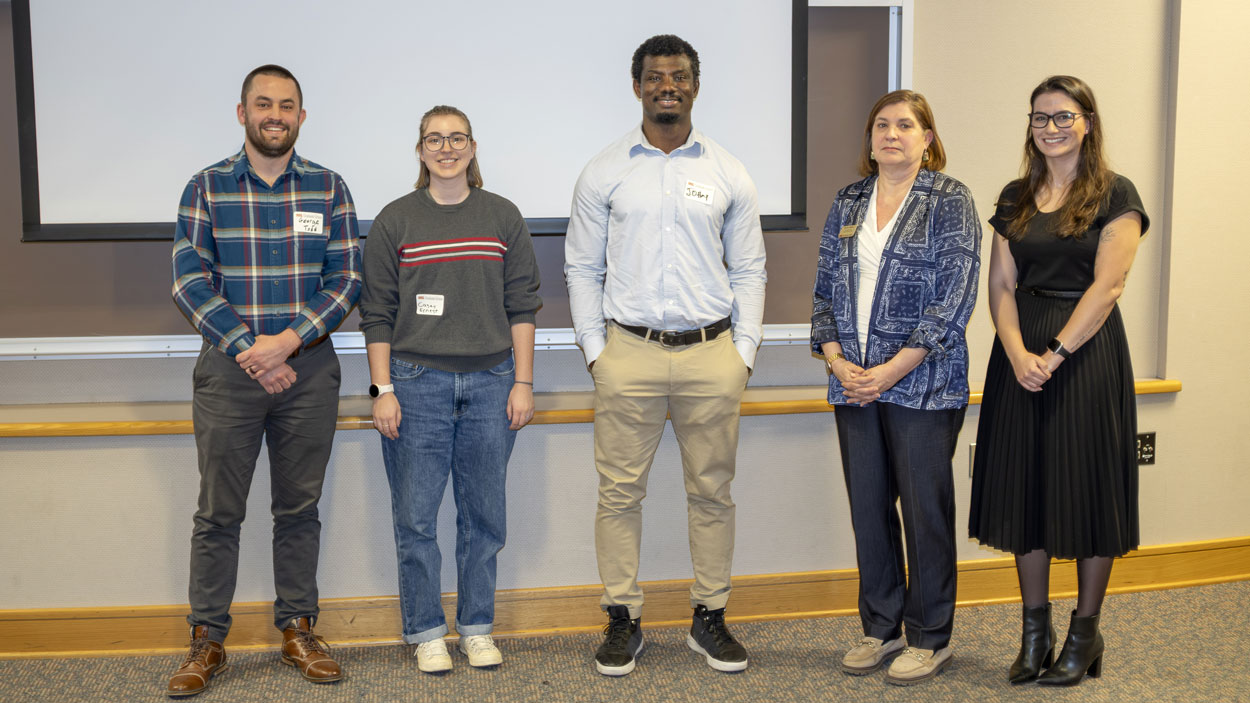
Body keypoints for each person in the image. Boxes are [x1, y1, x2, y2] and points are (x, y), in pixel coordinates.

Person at [565, 33, 766, 676]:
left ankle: (709, 617)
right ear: (638, 87)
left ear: (695, 86)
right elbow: (579, 268)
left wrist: (745, 353)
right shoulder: (604, 170)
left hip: (712, 355)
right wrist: (598, 353)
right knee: (619, 494)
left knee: (713, 492)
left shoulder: (728, 170)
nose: (667, 87)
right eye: (656, 77)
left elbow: (752, 269)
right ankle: (622, 618)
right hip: (629, 353)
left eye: (679, 76)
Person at [168, 64, 360, 697]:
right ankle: (207, 641)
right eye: (263, 104)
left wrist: (286, 342)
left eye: (287, 105)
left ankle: (298, 629)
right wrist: (252, 349)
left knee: (298, 510)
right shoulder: (207, 187)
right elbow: (188, 281)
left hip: (309, 372)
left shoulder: (330, 189)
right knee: (218, 513)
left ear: (302, 116)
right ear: (243, 112)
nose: (274, 114)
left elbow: (346, 281)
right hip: (230, 374)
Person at [968, 75, 1147, 687]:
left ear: (1088, 123)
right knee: (1026, 487)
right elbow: (1000, 284)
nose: (1051, 128)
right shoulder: (1016, 195)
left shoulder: (1115, 193)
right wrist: (1019, 353)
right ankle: (1034, 632)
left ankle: (1085, 632)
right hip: (1020, 354)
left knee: (1088, 487)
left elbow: (1109, 286)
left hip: (1086, 351)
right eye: (1040, 118)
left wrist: (1055, 353)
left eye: (1063, 117)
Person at [359, 105, 541, 674]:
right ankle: (426, 631)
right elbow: (377, 313)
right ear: (419, 151)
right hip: (415, 386)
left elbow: (523, 305)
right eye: (434, 139)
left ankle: (477, 628)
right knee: (415, 518)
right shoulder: (395, 220)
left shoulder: (502, 216)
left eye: (456, 138)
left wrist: (524, 382)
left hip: (492, 384)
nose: (446, 148)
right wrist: (381, 389)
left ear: (472, 147)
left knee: (483, 515)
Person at [811, 90, 980, 686]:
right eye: (882, 125)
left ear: (927, 137)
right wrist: (836, 360)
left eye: (905, 125)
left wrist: (890, 370)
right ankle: (880, 628)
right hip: (853, 383)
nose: (891, 134)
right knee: (868, 508)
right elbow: (826, 289)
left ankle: (930, 638)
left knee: (925, 514)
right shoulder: (849, 199)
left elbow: (954, 299)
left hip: (923, 386)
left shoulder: (951, 200)